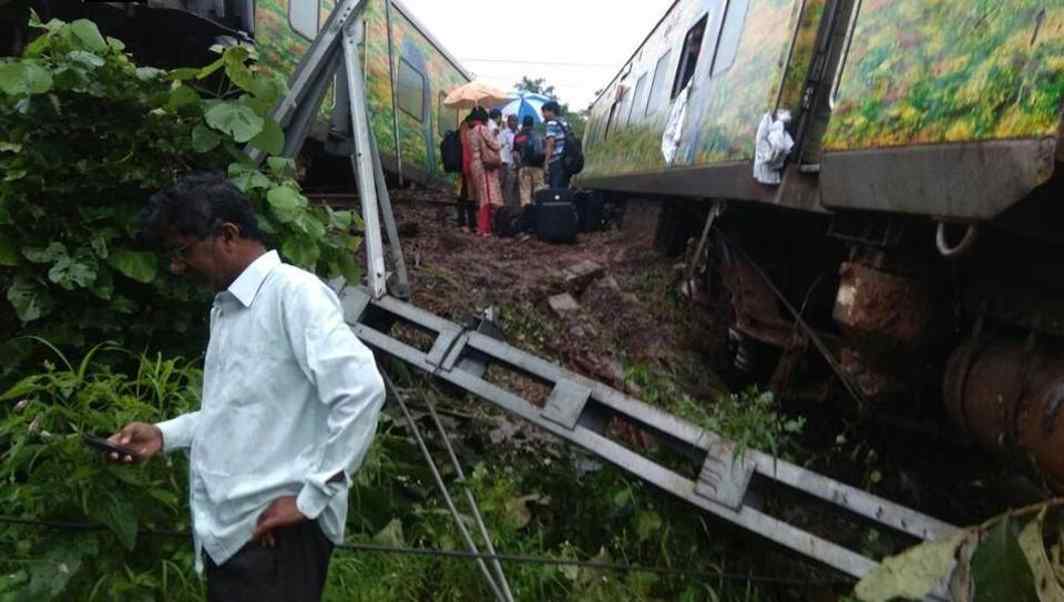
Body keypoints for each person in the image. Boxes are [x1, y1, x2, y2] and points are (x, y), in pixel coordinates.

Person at [106, 172, 386, 602]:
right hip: (238, 537)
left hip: (276, 537)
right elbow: (242, 408)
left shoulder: (293, 295)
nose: (177, 267)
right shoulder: (229, 308)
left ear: (227, 236)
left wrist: (310, 500)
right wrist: (165, 434)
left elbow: (362, 390)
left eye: (182, 252)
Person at [467, 107, 503, 236]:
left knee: (480, 196)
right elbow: (496, 145)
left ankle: (482, 227)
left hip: (475, 164)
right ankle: (484, 228)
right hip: (485, 165)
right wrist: (496, 136)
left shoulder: (469, 132)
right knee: (487, 197)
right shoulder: (482, 129)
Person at [513, 115, 545, 207]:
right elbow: (543, 151)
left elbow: (515, 154)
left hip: (524, 167)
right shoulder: (539, 135)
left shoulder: (518, 136)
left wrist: (518, 166)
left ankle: (527, 216)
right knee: (539, 193)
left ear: (523, 124)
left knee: (525, 194)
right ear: (532, 124)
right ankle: (540, 214)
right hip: (538, 167)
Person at [542, 100, 572, 189]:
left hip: (556, 161)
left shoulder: (551, 123)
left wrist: (546, 162)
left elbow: (551, 143)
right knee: (564, 189)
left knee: (555, 190)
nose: (543, 115)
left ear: (551, 111)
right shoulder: (565, 123)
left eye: (544, 112)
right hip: (567, 161)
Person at [457, 113, 477, 232]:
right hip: (466, 167)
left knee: (463, 195)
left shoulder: (462, 129)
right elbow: (467, 151)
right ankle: (469, 223)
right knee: (468, 196)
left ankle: (464, 222)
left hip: (464, 167)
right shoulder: (467, 131)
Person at [499, 114, 518, 207]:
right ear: (508, 122)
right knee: (506, 187)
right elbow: (499, 148)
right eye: (511, 120)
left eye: (515, 121)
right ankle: (505, 208)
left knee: (514, 188)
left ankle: (512, 208)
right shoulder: (503, 133)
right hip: (506, 164)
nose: (513, 123)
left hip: (516, 165)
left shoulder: (519, 133)